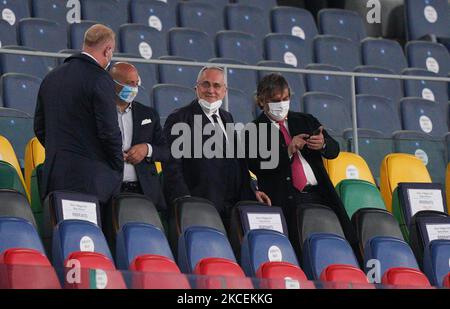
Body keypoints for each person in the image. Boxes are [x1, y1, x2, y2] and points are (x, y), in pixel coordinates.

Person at [247, 73, 358, 249]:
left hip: (319, 195)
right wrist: (288, 151)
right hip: (285, 201)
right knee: (297, 249)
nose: (281, 104)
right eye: (275, 100)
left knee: (332, 247)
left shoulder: (306, 120)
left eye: (285, 98)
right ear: (262, 101)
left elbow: (334, 150)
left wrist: (323, 144)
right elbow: (256, 164)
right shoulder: (253, 130)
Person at [163, 66, 271, 227]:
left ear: (225, 91)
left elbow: (238, 162)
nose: (211, 90)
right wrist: (184, 200)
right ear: (196, 88)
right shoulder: (179, 118)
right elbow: (172, 165)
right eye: (206, 84)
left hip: (232, 207)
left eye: (217, 85)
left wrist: (252, 190)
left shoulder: (227, 117)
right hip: (200, 206)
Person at [34, 24, 123, 208]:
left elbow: (40, 128)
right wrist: (116, 164)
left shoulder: (51, 77)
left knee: (63, 234)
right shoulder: (100, 78)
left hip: (55, 179)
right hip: (91, 184)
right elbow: (109, 132)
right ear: (108, 50)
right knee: (88, 237)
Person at [110, 62, 168, 212]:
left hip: (144, 192)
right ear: (112, 83)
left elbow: (165, 151)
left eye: (137, 83)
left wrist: (146, 149)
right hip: (109, 193)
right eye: (130, 83)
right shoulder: (99, 112)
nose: (134, 88)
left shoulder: (148, 114)